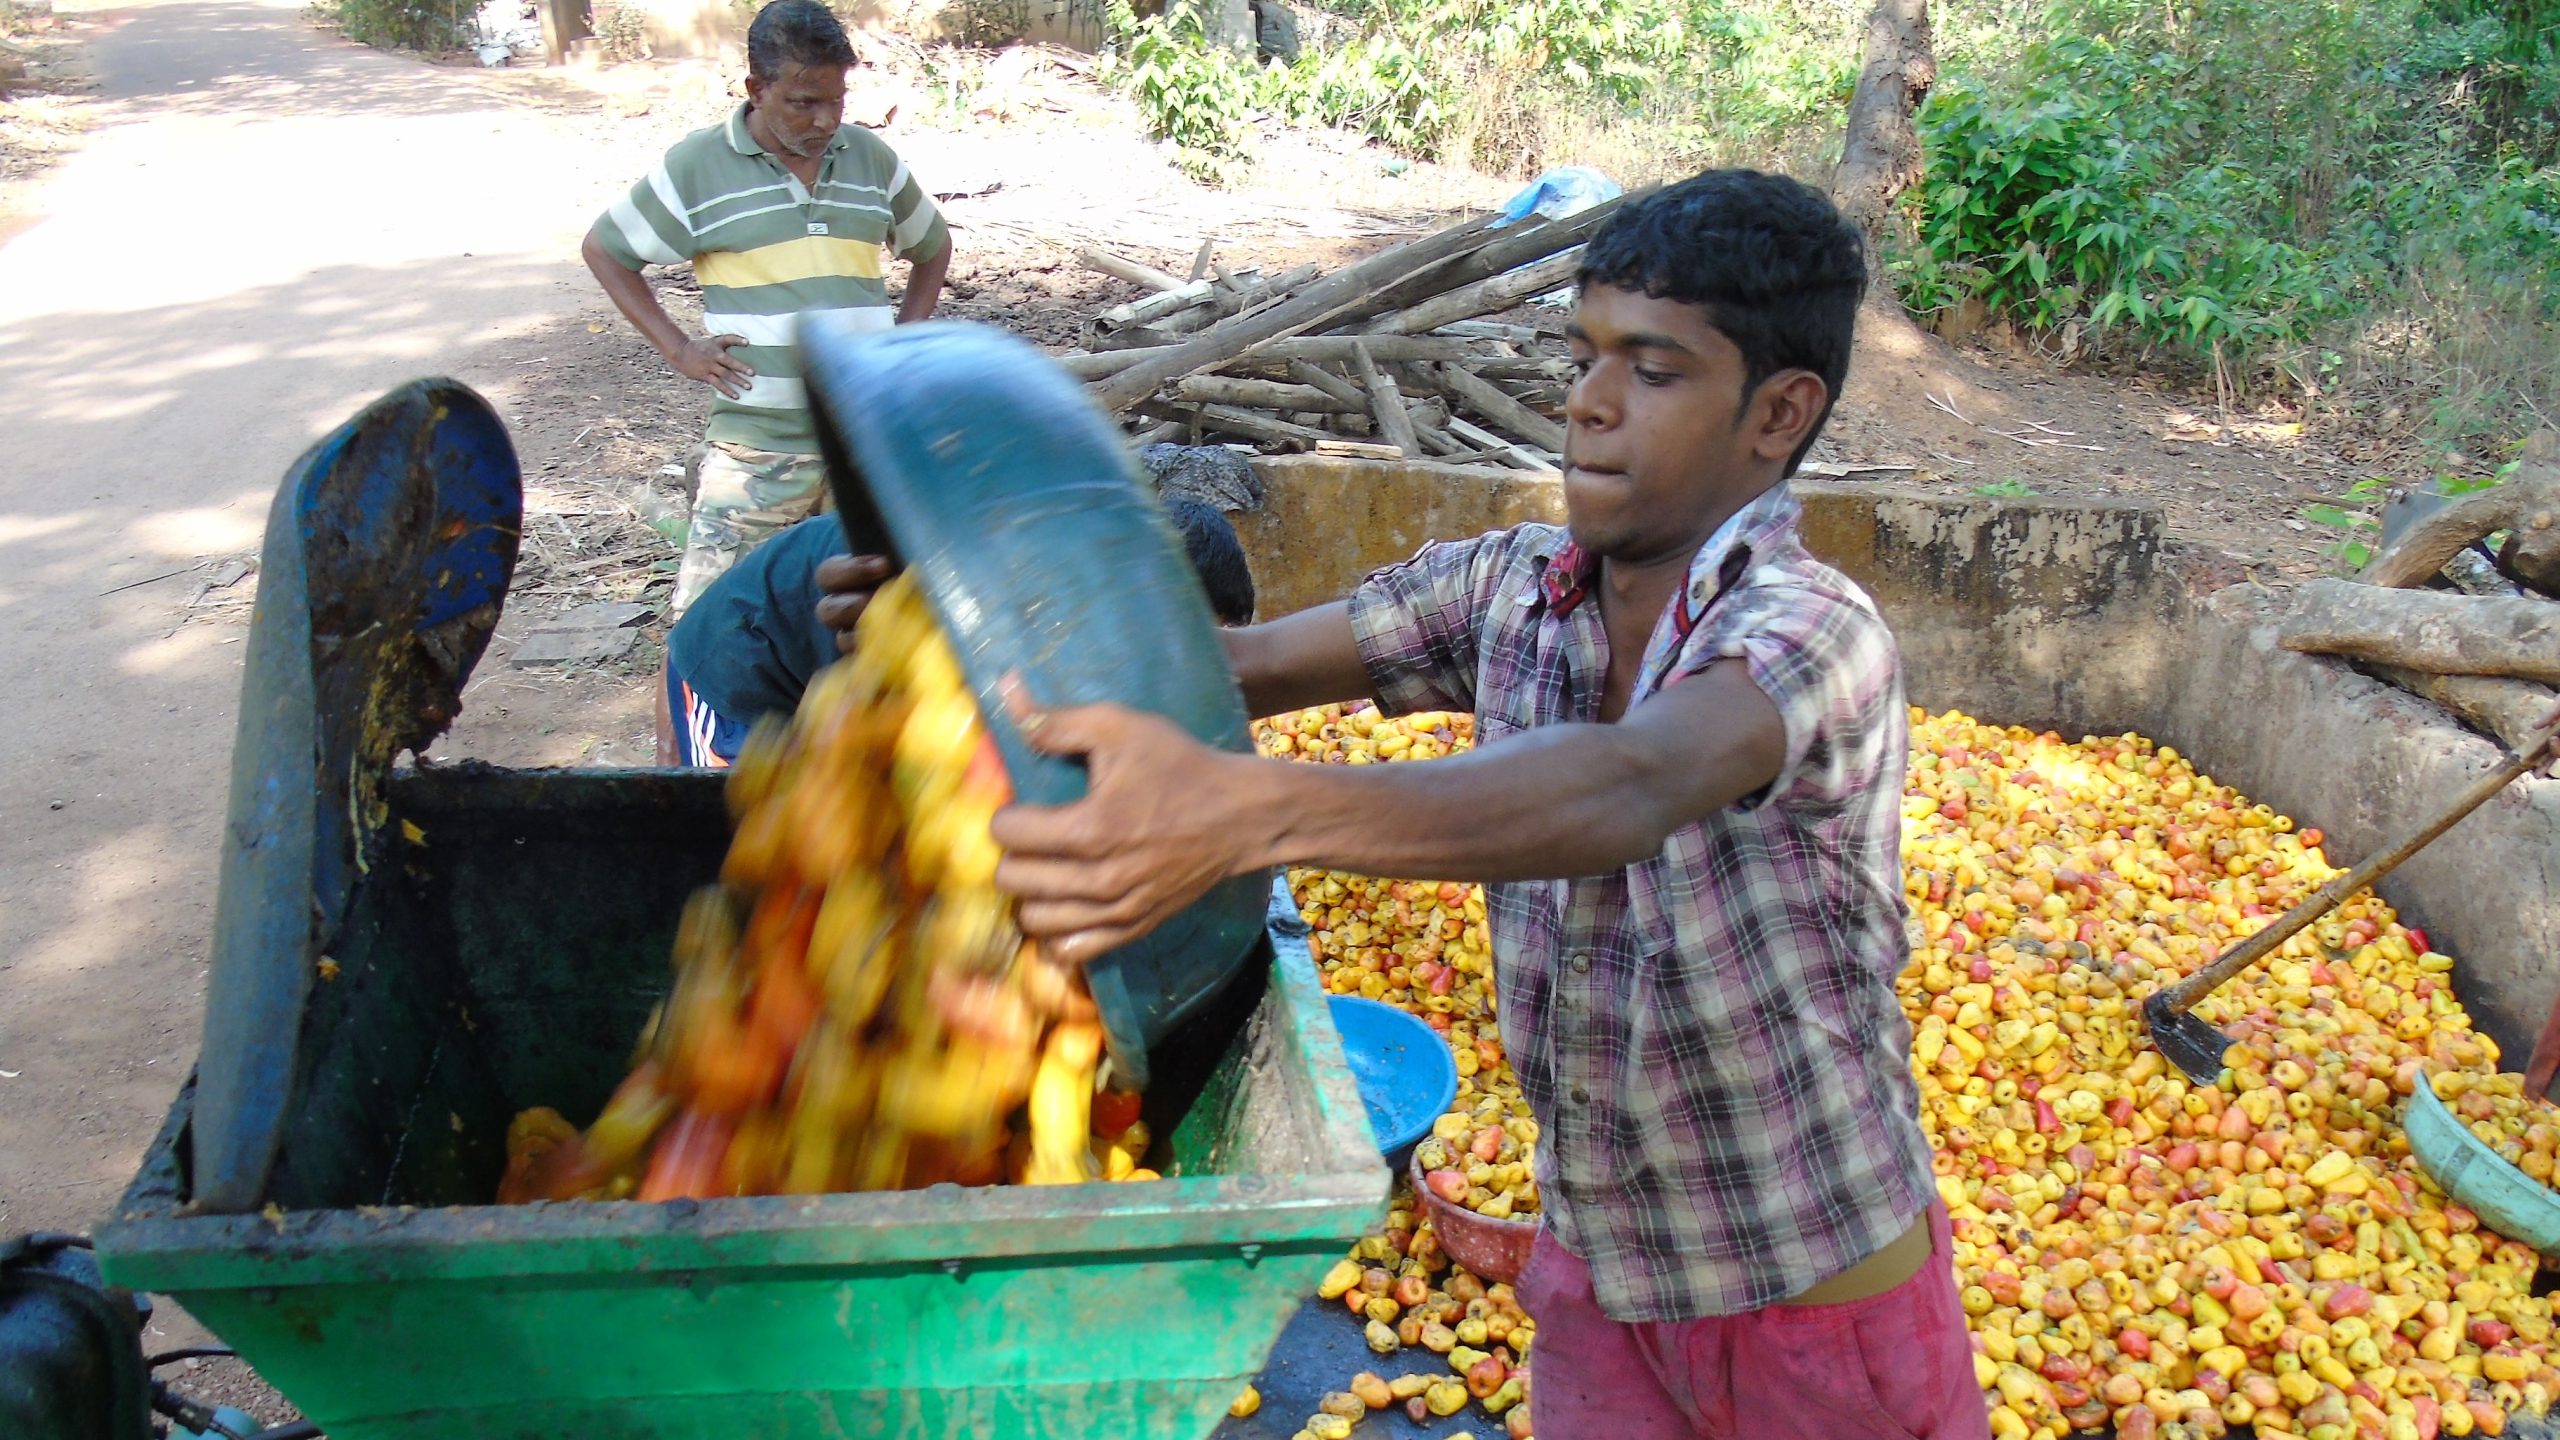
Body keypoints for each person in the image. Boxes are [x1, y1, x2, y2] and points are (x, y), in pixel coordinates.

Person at [835, 170, 1991, 1439]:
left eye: (1652, 372)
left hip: (1809, 1303)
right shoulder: (1514, 588)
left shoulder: (1814, 633)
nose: (1589, 404)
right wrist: (955, 623)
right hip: (1604, 1268)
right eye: (1585, 354)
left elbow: (1629, 783)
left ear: (1778, 413)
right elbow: (1230, 666)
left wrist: (1252, 811)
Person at [583, 0, 952, 619]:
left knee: (873, 629)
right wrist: (678, 349)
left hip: (864, 447)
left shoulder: (870, 160)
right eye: (804, 103)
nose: (826, 119)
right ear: (756, 89)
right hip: (757, 450)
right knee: (709, 627)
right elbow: (607, 249)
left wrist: (904, 344)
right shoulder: (697, 168)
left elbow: (933, 247)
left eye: (837, 100)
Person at [663, 497, 1255, 766]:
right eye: (1184, 646)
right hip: (743, 670)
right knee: (743, 844)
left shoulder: (1087, 613)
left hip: (846, 678)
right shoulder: (1016, 601)